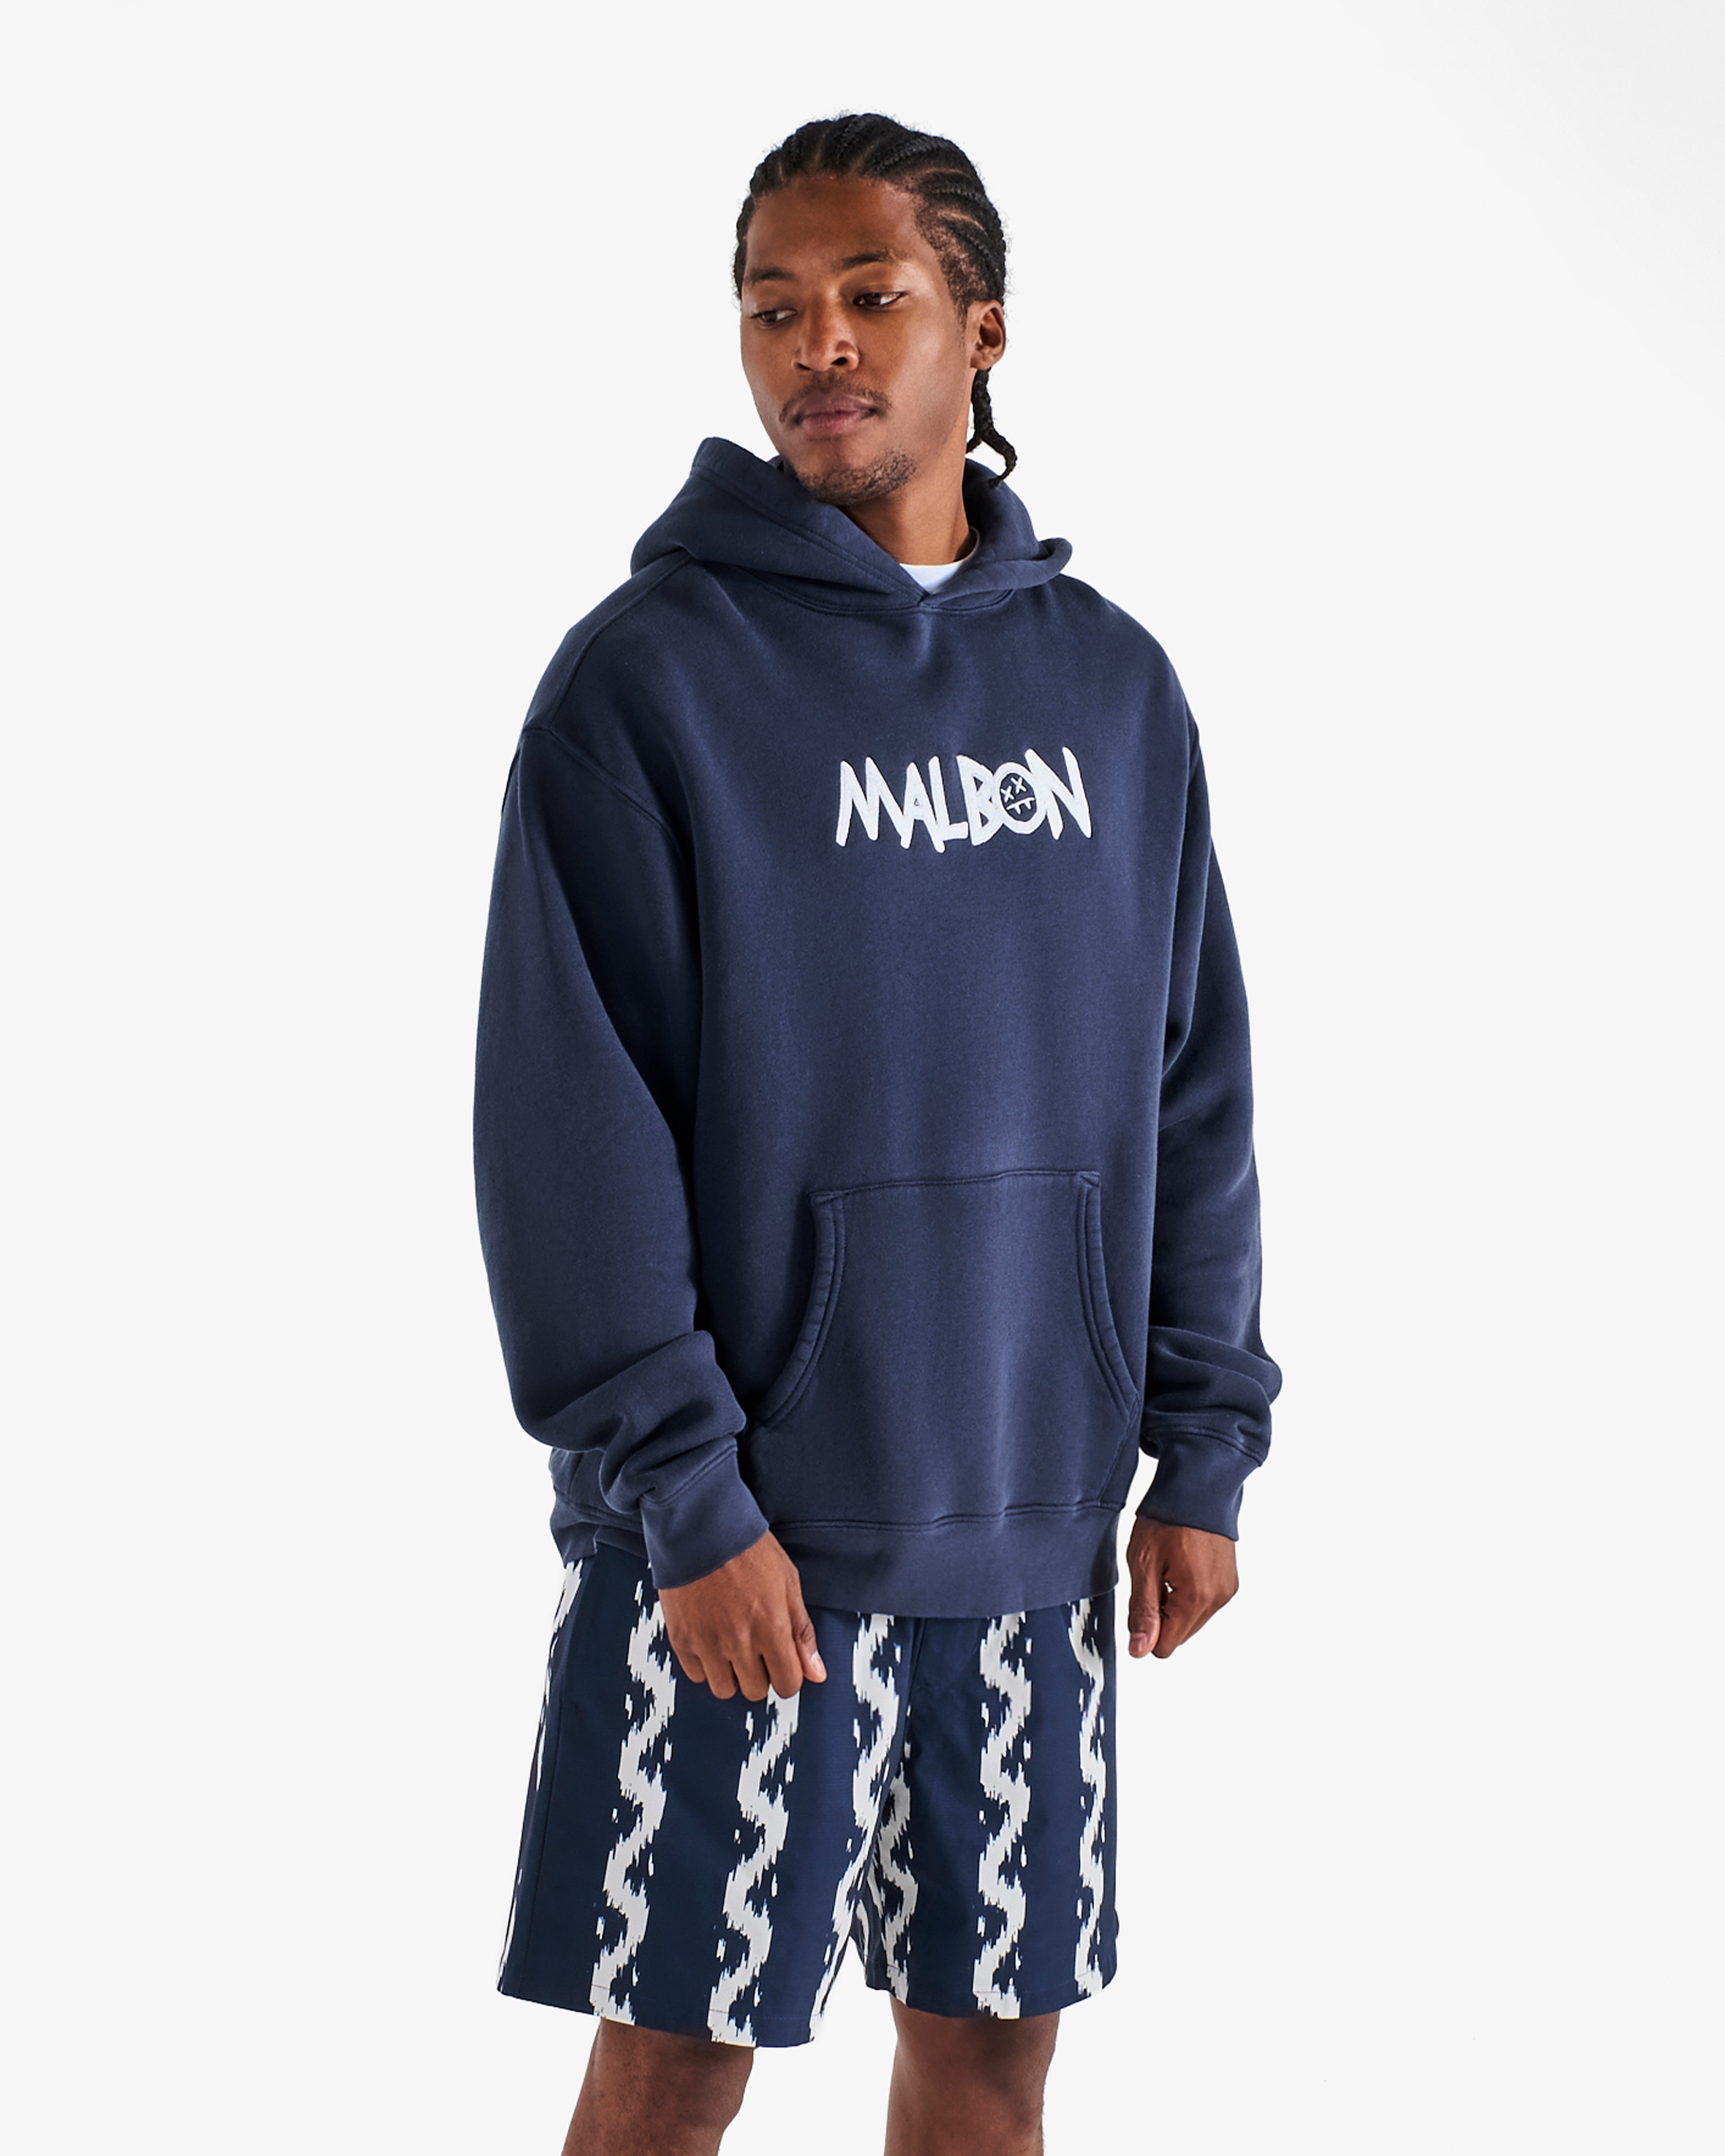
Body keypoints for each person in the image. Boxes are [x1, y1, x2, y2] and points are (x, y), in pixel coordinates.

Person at [473, 113, 1281, 2156]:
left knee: (992, 2067)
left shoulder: (1114, 692)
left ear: (980, 331)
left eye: (869, 295)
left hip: (1030, 1529)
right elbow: (569, 1125)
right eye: (771, 307)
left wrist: (1201, 1436)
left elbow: (1192, 1082)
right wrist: (685, 1497)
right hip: (741, 1547)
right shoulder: (645, 687)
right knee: (673, 2071)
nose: (814, 344)